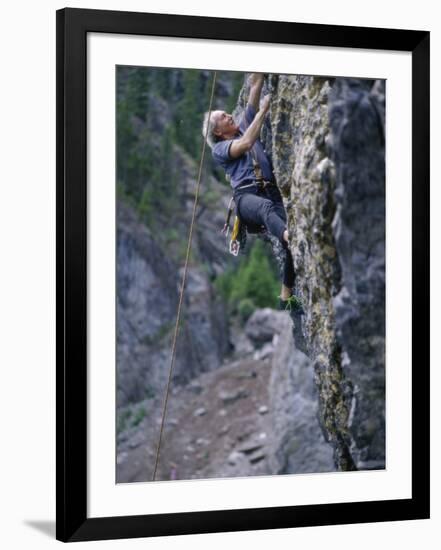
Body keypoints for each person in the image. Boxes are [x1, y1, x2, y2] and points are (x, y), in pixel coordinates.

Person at [202, 73, 298, 307]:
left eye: (226, 112)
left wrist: (260, 69)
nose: (228, 115)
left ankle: (286, 297)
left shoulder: (244, 124)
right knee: (275, 219)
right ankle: (290, 236)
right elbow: (245, 144)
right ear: (218, 131)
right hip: (246, 198)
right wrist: (263, 111)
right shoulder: (221, 148)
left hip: (270, 191)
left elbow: (255, 86)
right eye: (223, 117)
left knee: (290, 249)